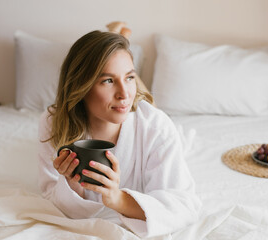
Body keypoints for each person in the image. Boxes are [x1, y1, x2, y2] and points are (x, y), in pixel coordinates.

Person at [38, 30, 201, 238]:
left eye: (130, 77)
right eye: (108, 81)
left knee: (167, 127)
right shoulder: (53, 123)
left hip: (158, 127)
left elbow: (184, 205)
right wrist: (72, 184)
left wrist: (117, 198)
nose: (124, 94)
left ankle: (117, 31)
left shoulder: (155, 126)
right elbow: (50, 197)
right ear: (81, 86)